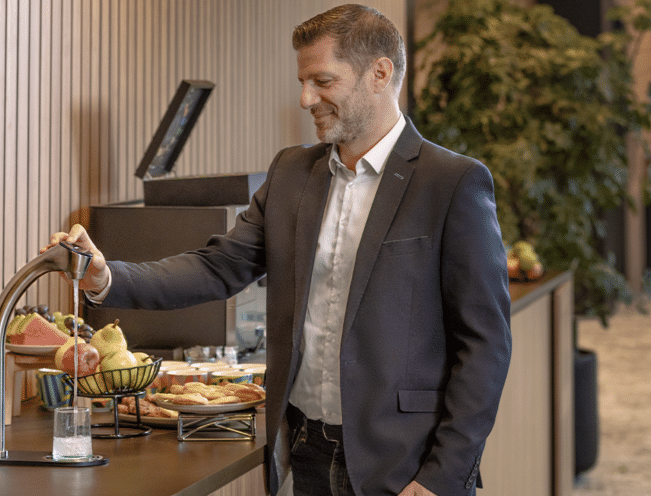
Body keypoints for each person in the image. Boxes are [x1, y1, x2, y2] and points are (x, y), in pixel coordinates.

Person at [44, 5, 511, 495]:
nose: (307, 98)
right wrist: (105, 277)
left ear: (380, 73)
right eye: (303, 81)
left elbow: (485, 346)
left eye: (323, 81)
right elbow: (217, 267)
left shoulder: (452, 182)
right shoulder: (290, 173)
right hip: (305, 453)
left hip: (406, 465)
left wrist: (441, 477)